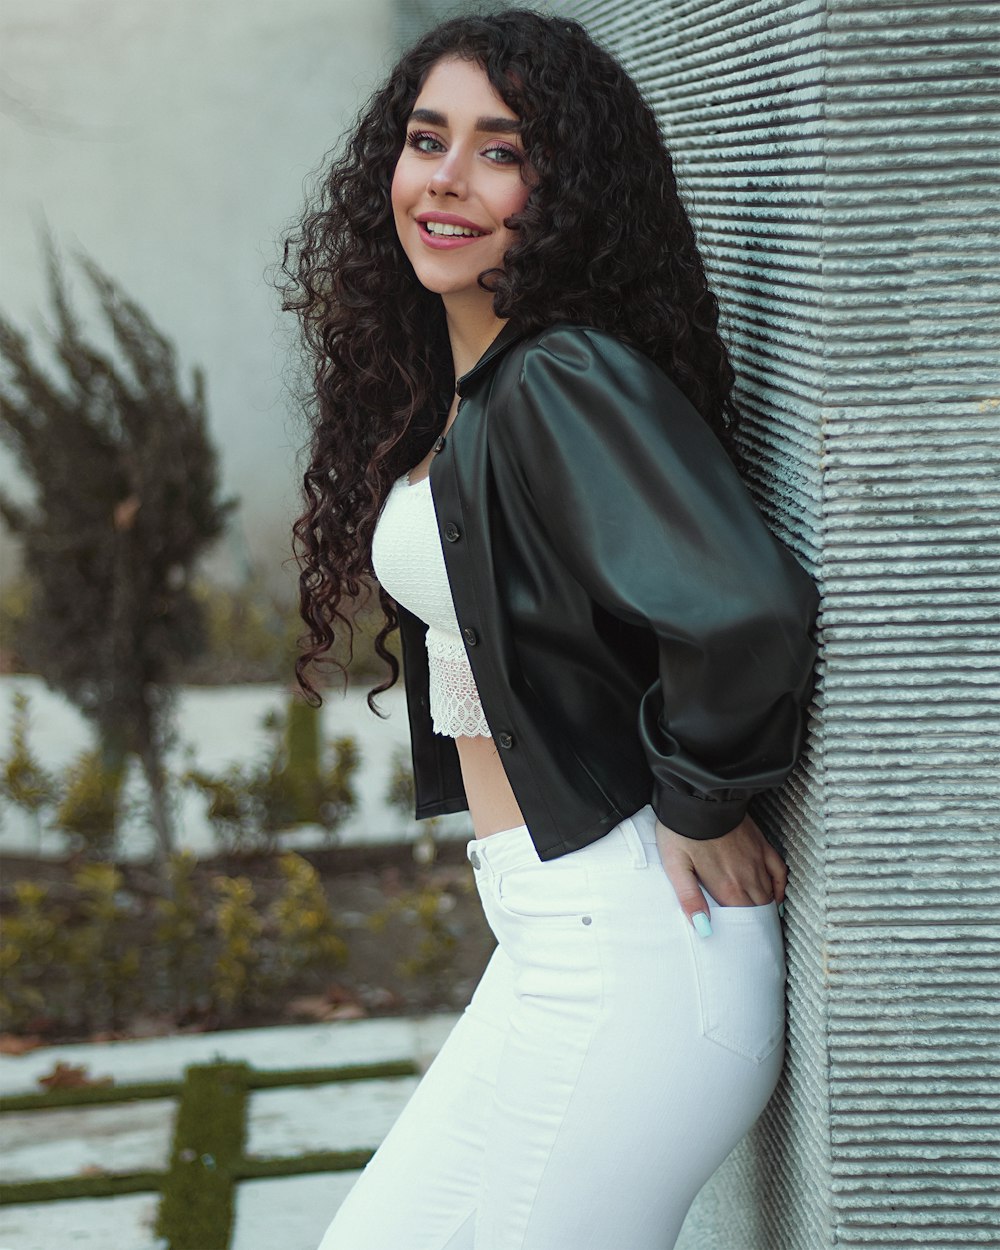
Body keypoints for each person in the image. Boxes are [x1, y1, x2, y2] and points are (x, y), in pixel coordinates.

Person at [281, 9, 820, 1249]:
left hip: (634, 942)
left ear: (561, 188)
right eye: (428, 141)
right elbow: (489, 650)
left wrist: (700, 795)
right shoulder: (473, 392)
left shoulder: (560, 375)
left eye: (500, 150)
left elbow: (743, 605)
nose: (447, 181)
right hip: (547, 929)